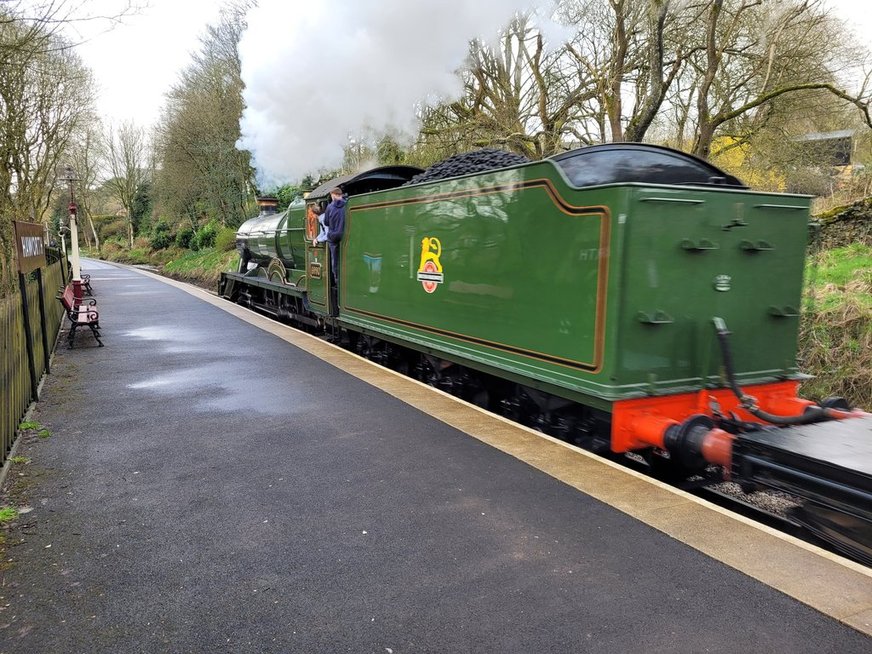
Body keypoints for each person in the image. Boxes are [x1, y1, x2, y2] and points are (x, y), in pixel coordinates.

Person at [323, 187, 346, 284]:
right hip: (345, 234)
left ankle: (336, 277)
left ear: (333, 195)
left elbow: (326, 222)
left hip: (334, 236)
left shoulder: (330, 207)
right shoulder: (347, 204)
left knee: (334, 257)